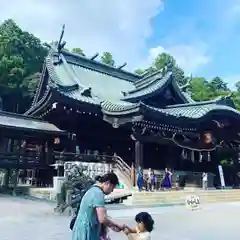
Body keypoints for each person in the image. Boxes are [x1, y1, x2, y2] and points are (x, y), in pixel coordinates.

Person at [72, 172, 124, 240]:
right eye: (112, 188)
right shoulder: (98, 193)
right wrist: (115, 225)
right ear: (108, 183)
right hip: (87, 230)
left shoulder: (93, 190)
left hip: (81, 228)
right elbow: (102, 218)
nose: (112, 191)